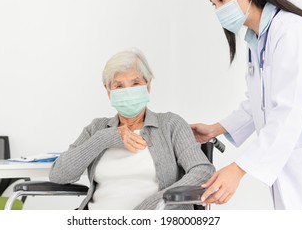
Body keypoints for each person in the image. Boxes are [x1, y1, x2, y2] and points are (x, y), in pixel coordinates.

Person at [191, 0, 302, 209]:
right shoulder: (257, 39)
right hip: (292, 165)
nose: (218, 10)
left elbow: (287, 111)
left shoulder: (293, 33)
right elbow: (259, 104)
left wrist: (238, 169)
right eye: (213, 4)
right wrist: (217, 128)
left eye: (222, 0)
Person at [49, 49, 215, 210]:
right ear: (108, 91)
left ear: (148, 85)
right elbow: (58, 175)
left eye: (135, 83)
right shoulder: (97, 129)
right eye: (119, 86)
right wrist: (106, 138)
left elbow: (203, 171)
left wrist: (152, 207)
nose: (128, 92)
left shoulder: (171, 124)